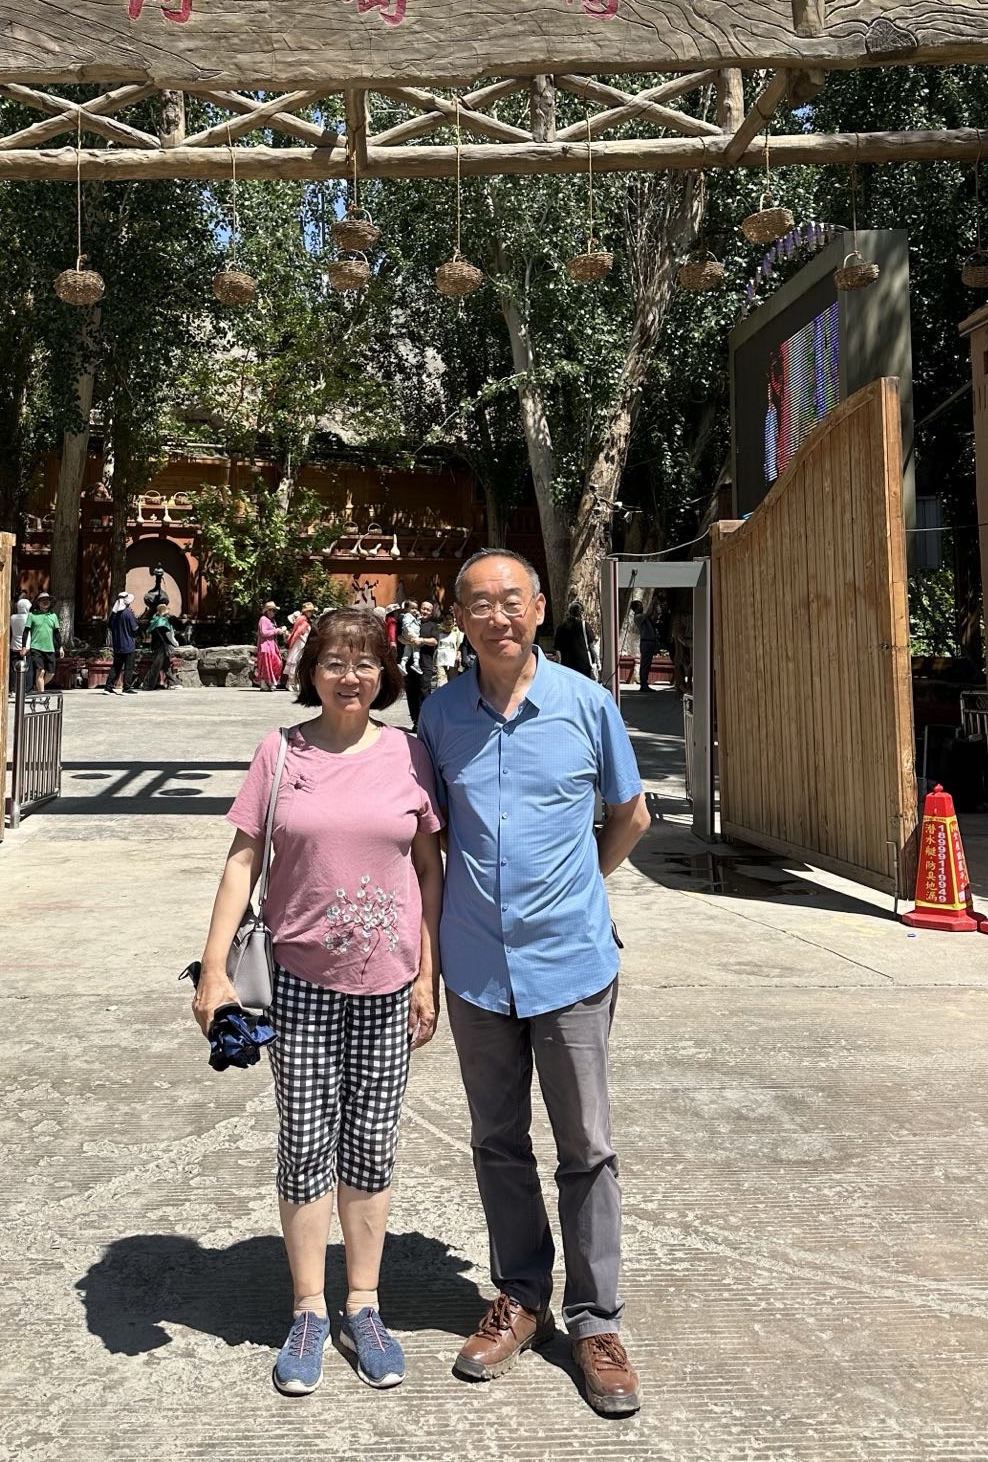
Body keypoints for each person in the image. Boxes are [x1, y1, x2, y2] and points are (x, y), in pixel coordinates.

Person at [417, 548, 651, 1417]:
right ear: (459, 618)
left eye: (510, 600)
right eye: (478, 604)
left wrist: (579, 885)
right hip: (477, 965)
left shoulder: (587, 705)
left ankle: (595, 1322)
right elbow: (431, 836)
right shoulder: (439, 715)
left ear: (540, 607)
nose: (497, 617)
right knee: (497, 1140)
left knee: (586, 1147)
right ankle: (520, 1296)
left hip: (571, 965)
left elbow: (630, 814)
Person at [192, 609, 444, 1397]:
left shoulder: (409, 753)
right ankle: (306, 1308)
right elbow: (243, 860)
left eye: (365, 663)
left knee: (370, 1144)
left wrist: (427, 975)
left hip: (387, 986)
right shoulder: (280, 752)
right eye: (333, 662)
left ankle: (363, 1304)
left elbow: (429, 869)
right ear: (310, 673)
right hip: (298, 984)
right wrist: (212, 968)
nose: (349, 676)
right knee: (304, 1143)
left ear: (384, 675)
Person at [402, 600, 439, 730]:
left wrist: (421, 640)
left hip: (425, 664)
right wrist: (409, 641)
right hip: (410, 663)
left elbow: (435, 641)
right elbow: (400, 637)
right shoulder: (410, 621)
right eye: (423, 608)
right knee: (411, 691)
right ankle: (416, 721)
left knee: (424, 691)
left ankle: (426, 720)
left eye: (428, 610)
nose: (425, 611)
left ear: (431, 613)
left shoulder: (433, 626)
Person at [24, 592, 63, 693]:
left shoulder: (53, 616)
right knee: (40, 671)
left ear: (50, 602)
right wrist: (24, 646)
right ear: (38, 602)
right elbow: (26, 631)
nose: (45, 602)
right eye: (43, 600)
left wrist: (61, 647)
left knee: (51, 673)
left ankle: (38, 686)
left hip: (50, 648)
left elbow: (56, 633)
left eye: (47, 600)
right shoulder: (32, 615)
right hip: (36, 647)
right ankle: (41, 695)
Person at [553, 599, 598, 680]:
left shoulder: (561, 627)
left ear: (569, 612)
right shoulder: (584, 625)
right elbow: (592, 645)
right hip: (584, 665)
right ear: (581, 613)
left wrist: (559, 664)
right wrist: (597, 660)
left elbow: (557, 649)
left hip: (567, 665)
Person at [105, 592, 139, 694]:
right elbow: (135, 629)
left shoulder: (114, 614)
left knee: (116, 666)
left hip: (117, 644)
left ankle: (108, 686)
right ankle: (127, 687)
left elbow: (109, 626)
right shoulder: (128, 614)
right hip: (128, 644)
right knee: (128, 667)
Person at [144, 600, 179, 690]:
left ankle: (173, 683)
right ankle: (147, 685)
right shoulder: (163, 622)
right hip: (162, 647)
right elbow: (168, 634)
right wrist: (175, 643)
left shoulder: (154, 621)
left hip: (156, 645)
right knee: (156, 666)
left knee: (166, 666)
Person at [283, 602, 315, 693]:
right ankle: (290, 683)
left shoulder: (305, 620)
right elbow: (298, 633)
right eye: (309, 611)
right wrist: (305, 641)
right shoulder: (302, 619)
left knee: (298, 663)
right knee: (295, 662)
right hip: (299, 644)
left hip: (302, 644)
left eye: (311, 611)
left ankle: (294, 683)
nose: (311, 613)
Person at [256, 600, 284, 691]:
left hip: (271, 646)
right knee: (266, 666)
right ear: (267, 611)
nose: (274, 612)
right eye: (272, 610)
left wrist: (278, 631)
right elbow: (264, 632)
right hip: (265, 646)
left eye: (274, 610)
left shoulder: (271, 620)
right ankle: (266, 684)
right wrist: (276, 631)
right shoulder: (263, 619)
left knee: (277, 663)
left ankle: (270, 682)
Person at [8, 596, 31, 695]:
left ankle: (13, 689)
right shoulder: (29, 617)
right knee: (27, 669)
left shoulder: (12, 617)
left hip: (14, 646)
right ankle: (26, 689)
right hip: (26, 646)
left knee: (14, 669)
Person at [434, 611, 465, 685]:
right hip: (440, 660)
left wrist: (458, 655)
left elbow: (459, 646)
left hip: (452, 660)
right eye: (446, 623)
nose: (448, 626)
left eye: (450, 624)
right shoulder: (438, 632)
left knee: (453, 682)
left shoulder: (457, 633)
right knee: (441, 682)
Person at [637, 604, 660, 692]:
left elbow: (653, 617)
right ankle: (643, 684)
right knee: (645, 663)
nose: (642, 607)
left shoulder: (644, 617)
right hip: (645, 642)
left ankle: (645, 683)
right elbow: (649, 613)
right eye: (639, 606)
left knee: (648, 663)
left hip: (650, 642)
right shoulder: (638, 617)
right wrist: (653, 602)